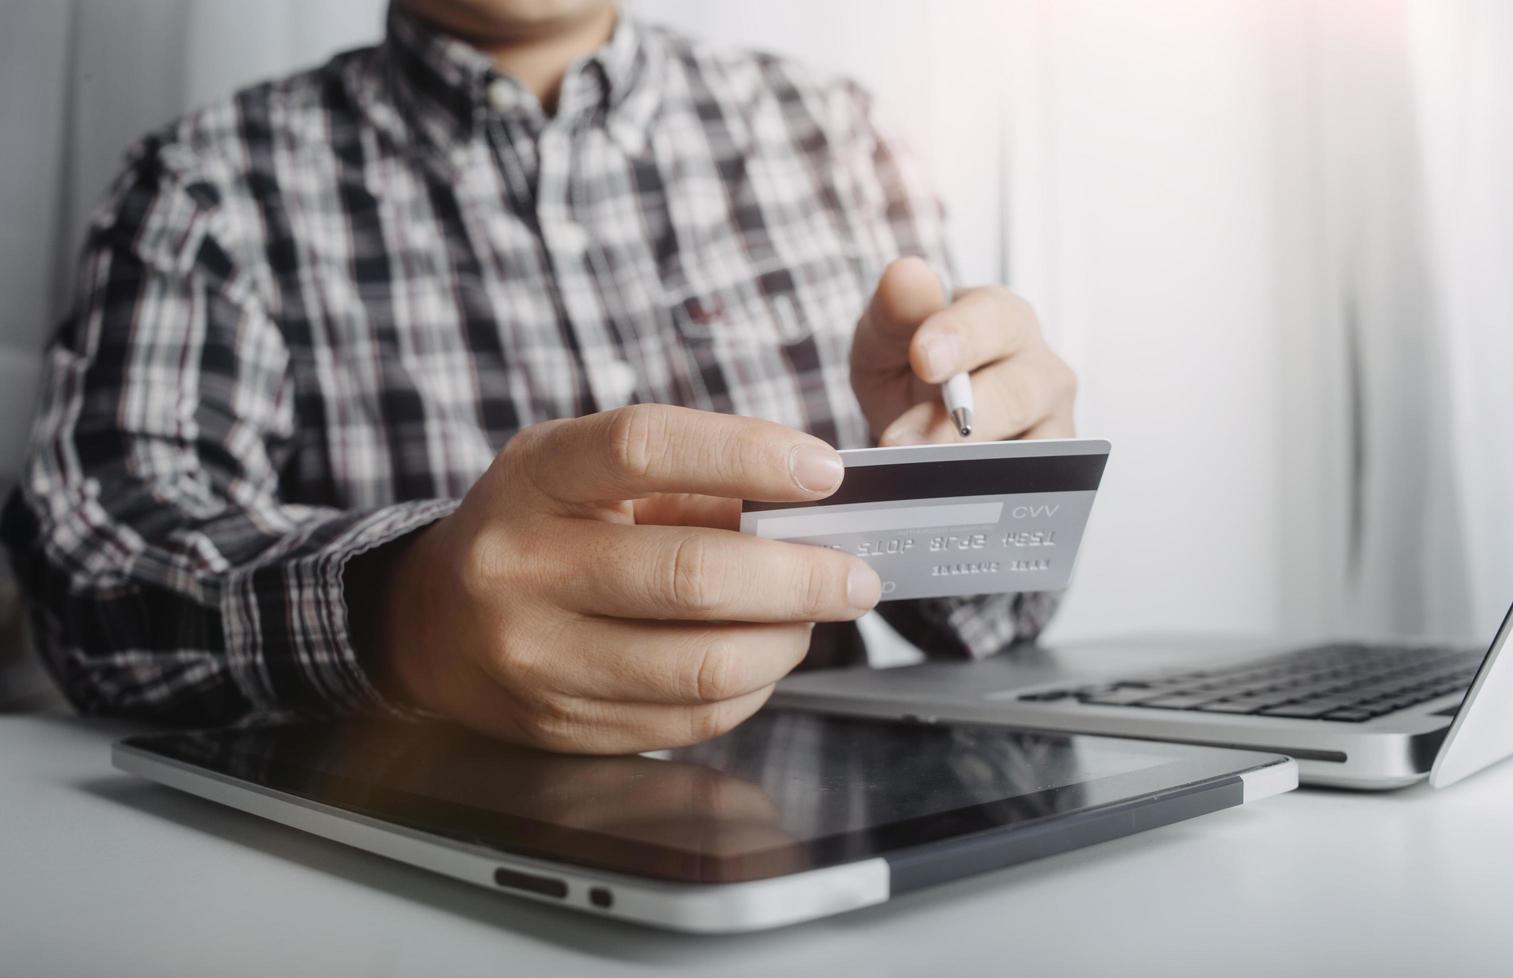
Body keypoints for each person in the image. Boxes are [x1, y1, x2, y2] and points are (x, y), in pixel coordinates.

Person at [1, 0, 1077, 753]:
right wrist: (402, 610)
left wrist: (983, 479)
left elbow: (991, 626)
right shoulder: (209, 185)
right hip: (415, 859)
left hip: (854, 839)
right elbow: (91, 576)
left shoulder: (837, 132)